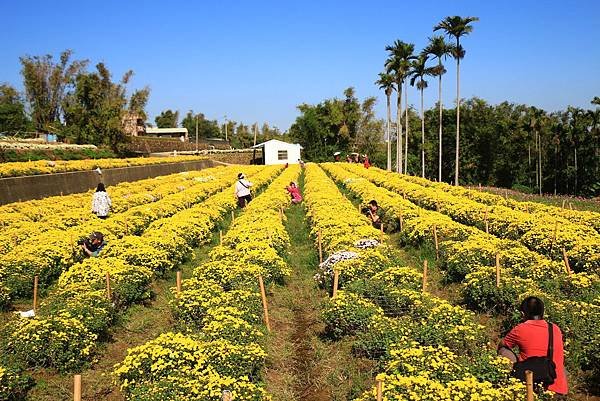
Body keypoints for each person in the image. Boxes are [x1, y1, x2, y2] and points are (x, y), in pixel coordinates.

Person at [498, 297, 568, 397]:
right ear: (543, 312)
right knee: (558, 362)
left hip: (533, 384)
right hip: (558, 387)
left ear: (522, 314)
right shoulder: (555, 328)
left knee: (503, 350)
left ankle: (510, 381)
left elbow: (502, 344)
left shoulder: (521, 328)